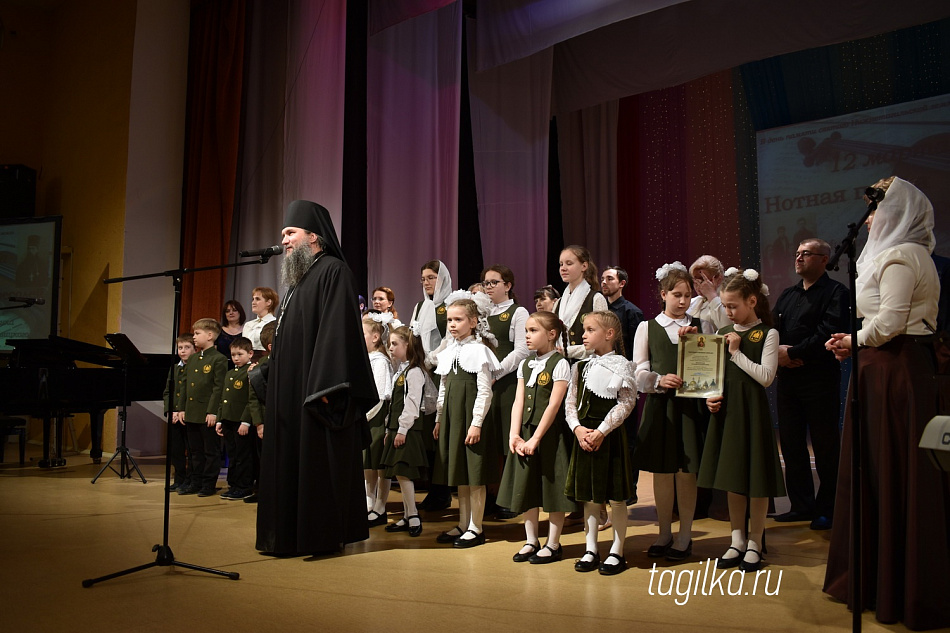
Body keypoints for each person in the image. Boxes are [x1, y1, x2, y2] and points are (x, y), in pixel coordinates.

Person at [823, 177, 950, 630]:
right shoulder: (892, 255)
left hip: (895, 373)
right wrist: (854, 342)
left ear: (897, 213)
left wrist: (851, 339)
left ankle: (903, 587)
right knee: (876, 469)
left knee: (896, 470)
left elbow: (892, 322)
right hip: (879, 369)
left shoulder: (903, 255)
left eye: (876, 210)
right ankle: (878, 579)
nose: (869, 219)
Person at [255, 200, 377, 557]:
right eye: (283, 234)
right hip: (288, 390)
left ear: (314, 236)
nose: (285, 240)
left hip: (315, 391)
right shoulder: (297, 280)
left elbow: (337, 333)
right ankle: (286, 536)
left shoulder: (334, 271)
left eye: (290, 233)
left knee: (316, 464)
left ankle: (318, 536)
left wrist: (325, 385)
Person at [699, 268, 785, 573]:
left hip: (753, 413)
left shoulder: (767, 334)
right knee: (734, 479)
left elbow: (765, 377)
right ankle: (736, 539)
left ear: (752, 301)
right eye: (725, 306)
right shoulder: (722, 334)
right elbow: (713, 378)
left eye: (733, 306)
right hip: (728, 413)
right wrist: (710, 396)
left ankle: (755, 541)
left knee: (756, 480)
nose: (729, 311)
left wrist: (736, 352)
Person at [771, 238, 848, 530]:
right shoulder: (788, 294)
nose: (799, 258)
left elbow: (828, 333)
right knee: (791, 444)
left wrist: (791, 353)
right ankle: (801, 506)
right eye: (797, 253)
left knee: (825, 446)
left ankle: (827, 508)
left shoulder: (836, 292)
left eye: (807, 253)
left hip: (820, 380)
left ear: (824, 259)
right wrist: (782, 358)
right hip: (788, 379)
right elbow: (772, 331)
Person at [632, 262, 705, 562]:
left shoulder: (700, 325)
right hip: (661, 406)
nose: (683, 300)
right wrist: (658, 380)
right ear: (663, 294)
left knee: (686, 473)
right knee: (662, 472)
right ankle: (664, 532)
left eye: (687, 295)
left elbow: (710, 367)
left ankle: (685, 535)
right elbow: (637, 372)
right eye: (677, 294)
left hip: (690, 407)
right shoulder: (647, 327)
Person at [497, 311, 575, 564]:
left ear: (551, 334)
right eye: (526, 331)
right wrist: (514, 434)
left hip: (548, 435)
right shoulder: (526, 364)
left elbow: (554, 405)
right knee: (526, 487)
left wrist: (536, 438)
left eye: (533, 331)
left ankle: (553, 544)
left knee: (552, 489)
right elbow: (518, 400)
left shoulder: (559, 363)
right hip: (525, 435)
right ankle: (531, 540)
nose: (527, 336)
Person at [565, 311, 637, 575]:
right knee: (590, 498)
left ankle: (617, 550)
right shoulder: (580, 366)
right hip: (584, 437)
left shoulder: (622, 366)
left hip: (609, 438)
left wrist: (601, 431)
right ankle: (590, 547)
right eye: (583, 329)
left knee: (616, 498)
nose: (583, 335)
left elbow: (626, 402)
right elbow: (570, 403)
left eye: (590, 330)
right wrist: (578, 429)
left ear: (609, 334)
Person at [432, 293, 501, 548]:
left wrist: (476, 423)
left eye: (458, 319)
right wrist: (440, 418)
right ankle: (463, 523)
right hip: (453, 418)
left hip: (471, 418)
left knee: (474, 474)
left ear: (472, 322)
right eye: (449, 320)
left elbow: (485, 390)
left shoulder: (479, 351)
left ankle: (476, 526)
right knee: (460, 473)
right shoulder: (450, 351)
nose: (452, 324)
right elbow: (443, 387)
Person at [380, 325, 434, 538]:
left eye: (395, 344)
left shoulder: (414, 372)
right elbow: (394, 403)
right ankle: (407, 514)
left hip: (408, 429)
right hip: (396, 428)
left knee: (404, 473)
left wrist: (402, 429)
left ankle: (413, 514)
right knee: (399, 473)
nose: (390, 347)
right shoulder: (401, 371)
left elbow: (412, 403)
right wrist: (389, 429)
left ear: (408, 345)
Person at [409, 260, 454, 512]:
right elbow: (414, 336)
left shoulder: (451, 304)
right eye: (423, 278)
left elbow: (450, 337)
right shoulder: (420, 306)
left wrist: (432, 358)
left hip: (442, 370)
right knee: (428, 432)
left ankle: (443, 490)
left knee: (441, 432)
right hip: (424, 373)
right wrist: (418, 361)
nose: (426, 282)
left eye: (431, 277)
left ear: (443, 278)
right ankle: (435, 488)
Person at [174, 318, 228, 497]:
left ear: (210, 335)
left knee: (210, 451)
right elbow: (184, 385)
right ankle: (195, 482)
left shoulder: (218, 359)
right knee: (194, 451)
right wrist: (181, 408)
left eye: (198, 334)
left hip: (207, 414)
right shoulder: (194, 358)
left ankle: (208, 484)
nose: (194, 337)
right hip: (191, 412)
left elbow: (218, 388)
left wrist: (213, 411)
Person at [363, 313, 394, 527]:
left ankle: (381, 506)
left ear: (375, 337)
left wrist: (364, 416)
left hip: (376, 417)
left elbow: (381, 394)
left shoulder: (380, 361)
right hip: (365, 418)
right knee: (367, 464)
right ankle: (368, 503)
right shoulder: (366, 359)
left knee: (380, 465)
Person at [215, 336, 255, 500]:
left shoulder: (250, 372)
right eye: (233, 355)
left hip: (241, 422)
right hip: (228, 420)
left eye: (240, 354)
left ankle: (244, 486)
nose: (236, 358)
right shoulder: (230, 373)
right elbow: (223, 399)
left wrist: (246, 421)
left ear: (250, 353)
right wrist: (219, 419)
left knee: (243, 456)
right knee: (232, 455)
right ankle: (233, 484)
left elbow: (250, 399)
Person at [242, 321, 275, 504]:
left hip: (284, 422)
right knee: (263, 460)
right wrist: (259, 423)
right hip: (264, 420)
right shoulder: (260, 366)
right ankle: (262, 491)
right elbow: (253, 398)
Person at [556, 246, 608, 360]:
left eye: (569, 263)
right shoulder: (558, 303)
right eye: (561, 264)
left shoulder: (596, 299)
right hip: (560, 365)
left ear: (584, 266)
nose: (563, 268)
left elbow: (601, 340)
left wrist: (567, 351)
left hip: (586, 366)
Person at [163, 333, 195, 491]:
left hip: (188, 414)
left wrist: (183, 410)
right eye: (180, 348)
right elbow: (168, 391)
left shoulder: (195, 368)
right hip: (175, 415)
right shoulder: (175, 368)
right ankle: (179, 479)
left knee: (191, 449)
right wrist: (170, 410)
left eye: (187, 347)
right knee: (176, 449)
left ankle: (190, 480)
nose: (183, 351)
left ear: (194, 349)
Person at [601, 266, 644, 361]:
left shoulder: (632, 311)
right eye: (602, 279)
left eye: (609, 279)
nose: (604, 282)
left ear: (622, 283)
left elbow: (638, 346)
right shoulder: (600, 308)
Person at [687, 255, 730, 333]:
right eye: (695, 281)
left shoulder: (728, 300)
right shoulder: (693, 302)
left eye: (703, 280)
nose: (698, 286)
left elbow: (727, 328)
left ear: (719, 279)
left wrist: (711, 295)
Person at [243, 287, 279, 360]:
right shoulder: (248, 325)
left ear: (269, 302)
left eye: (257, 299)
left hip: (266, 363)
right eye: (253, 299)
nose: (253, 302)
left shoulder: (275, 324)